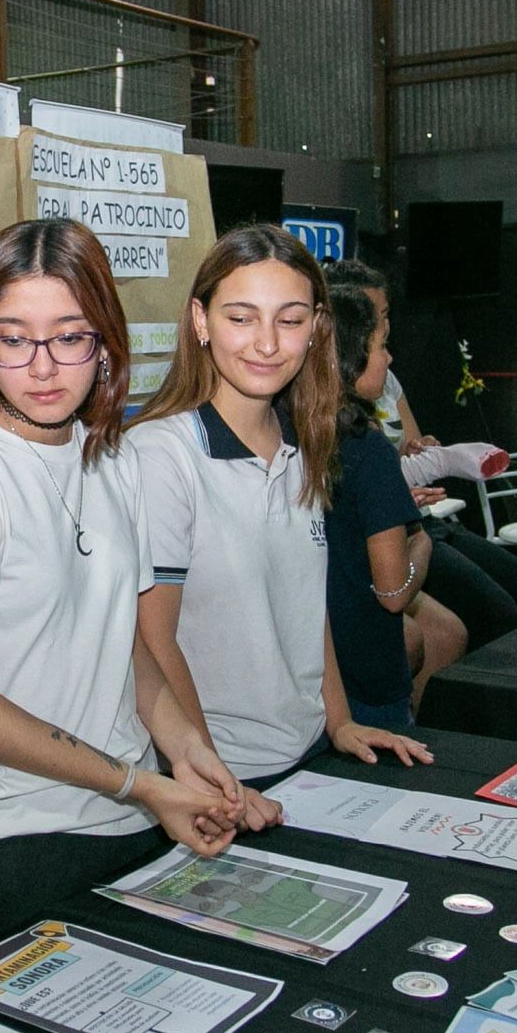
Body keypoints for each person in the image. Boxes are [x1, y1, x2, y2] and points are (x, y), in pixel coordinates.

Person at [0, 219, 241, 942]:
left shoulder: (111, 457)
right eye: (14, 337)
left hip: (129, 819)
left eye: (69, 336)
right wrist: (141, 782)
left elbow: (122, 646)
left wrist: (188, 750)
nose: (43, 366)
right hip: (17, 839)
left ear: (103, 342)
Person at [129, 225, 428, 788]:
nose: (267, 343)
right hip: (225, 772)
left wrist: (340, 721)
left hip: (309, 754)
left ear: (316, 328)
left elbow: (304, 608)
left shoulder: (304, 445)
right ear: (201, 321)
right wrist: (212, 775)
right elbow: (153, 641)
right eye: (241, 318)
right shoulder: (161, 455)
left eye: (289, 320)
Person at [327, 260, 517, 650]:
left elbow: (409, 450)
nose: (388, 338)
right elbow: (392, 585)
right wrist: (426, 471)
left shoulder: (384, 381)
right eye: (376, 325)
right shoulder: (340, 425)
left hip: (421, 519)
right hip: (399, 531)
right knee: (489, 614)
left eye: (384, 315)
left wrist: (421, 454)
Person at [325, 281, 455, 727]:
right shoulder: (367, 448)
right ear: (352, 354)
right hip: (370, 670)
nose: (389, 357)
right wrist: (420, 540)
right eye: (381, 346)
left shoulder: (299, 435)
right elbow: (394, 592)